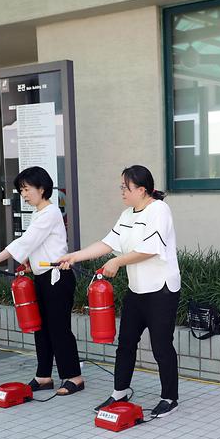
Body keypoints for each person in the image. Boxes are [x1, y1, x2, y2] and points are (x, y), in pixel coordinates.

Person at [57, 165, 181, 418]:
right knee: (125, 344)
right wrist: (74, 256)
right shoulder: (127, 214)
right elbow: (107, 243)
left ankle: (169, 397)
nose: (122, 191)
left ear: (143, 190)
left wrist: (118, 262)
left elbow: (151, 249)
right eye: (121, 187)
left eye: (126, 187)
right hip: (137, 290)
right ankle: (119, 392)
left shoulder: (159, 210)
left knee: (161, 346)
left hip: (161, 289)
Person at [0, 166, 84, 396]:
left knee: (59, 329)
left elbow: (27, 240)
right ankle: (43, 376)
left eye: (26, 189)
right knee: (41, 328)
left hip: (58, 278)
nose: (23, 194)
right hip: (42, 277)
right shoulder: (39, 213)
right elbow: (34, 245)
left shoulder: (50, 212)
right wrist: (27, 262)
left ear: (42, 188)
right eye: (21, 190)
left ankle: (74, 377)